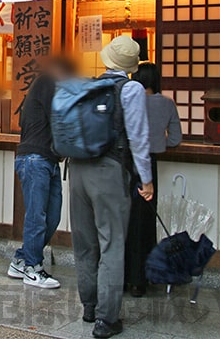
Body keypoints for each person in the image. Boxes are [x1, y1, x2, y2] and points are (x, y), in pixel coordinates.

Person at [69, 36, 153, 339]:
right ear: (130, 66)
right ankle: (107, 319)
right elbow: (139, 138)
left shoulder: (86, 85)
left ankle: (89, 306)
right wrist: (146, 179)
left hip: (77, 170)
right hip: (109, 171)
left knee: (85, 243)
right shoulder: (130, 89)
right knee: (112, 243)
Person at [8, 56, 75, 289]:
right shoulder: (46, 82)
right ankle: (33, 268)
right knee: (37, 216)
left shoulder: (48, 85)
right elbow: (60, 118)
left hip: (47, 160)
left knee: (51, 216)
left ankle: (21, 259)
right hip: (35, 159)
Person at [125, 63, 182, 297]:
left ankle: (120, 279)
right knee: (145, 224)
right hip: (150, 164)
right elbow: (176, 138)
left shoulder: (128, 100)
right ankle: (141, 281)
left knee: (123, 221)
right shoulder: (167, 103)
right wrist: (159, 142)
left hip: (125, 165)